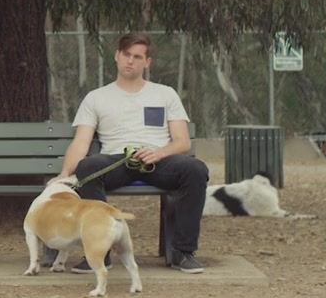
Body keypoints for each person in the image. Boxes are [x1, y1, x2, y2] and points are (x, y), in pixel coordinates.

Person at [56, 32, 210, 274]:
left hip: (158, 160)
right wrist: (64, 174)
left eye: (137, 57)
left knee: (196, 170)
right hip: (118, 161)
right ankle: (100, 253)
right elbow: (81, 143)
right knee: (87, 167)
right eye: (126, 54)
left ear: (147, 62)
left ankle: (183, 252)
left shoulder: (165, 94)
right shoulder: (96, 97)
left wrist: (160, 153)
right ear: (117, 56)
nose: (130, 61)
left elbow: (182, 142)